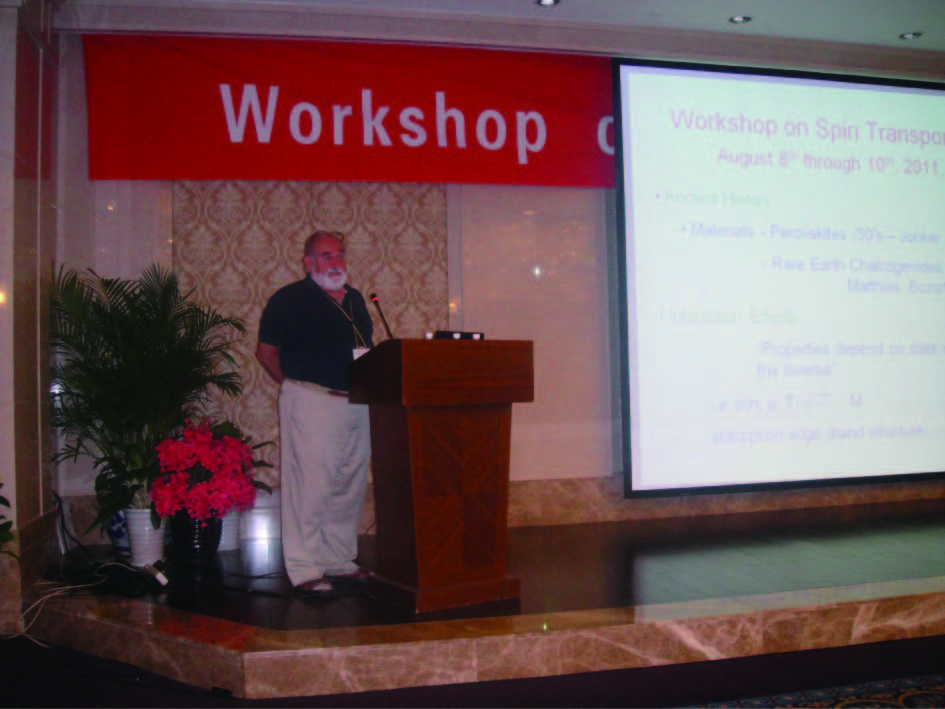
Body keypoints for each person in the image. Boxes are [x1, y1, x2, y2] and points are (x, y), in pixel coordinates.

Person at [255, 230, 374, 598]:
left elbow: (364, 350)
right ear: (307, 262)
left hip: (357, 401)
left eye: (340, 254)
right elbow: (266, 353)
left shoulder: (355, 299)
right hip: (311, 400)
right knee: (311, 486)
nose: (336, 262)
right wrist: (297, 387)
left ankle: (337, 558)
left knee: (348, 484)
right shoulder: (289, 299)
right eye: (326, 255)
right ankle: (305, 567)